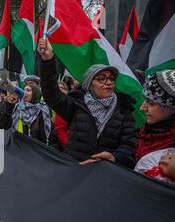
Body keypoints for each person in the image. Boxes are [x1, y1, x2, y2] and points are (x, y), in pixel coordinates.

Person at [38, 38, 137, 168]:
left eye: (111, 79)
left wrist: (114, 157)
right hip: (76, 170)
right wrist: (48, 60)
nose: (108, 82)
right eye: (101, 78)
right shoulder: (76, 104)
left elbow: (129, 145)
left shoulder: (124, 110)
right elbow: (51, 94)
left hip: (107, 173)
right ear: (89, 84)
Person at [135, 70, 175, 161]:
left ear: (170, 109)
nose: (142, 108)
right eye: (145, 100)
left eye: (151, 103)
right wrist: (116, 158)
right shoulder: (146, 131)